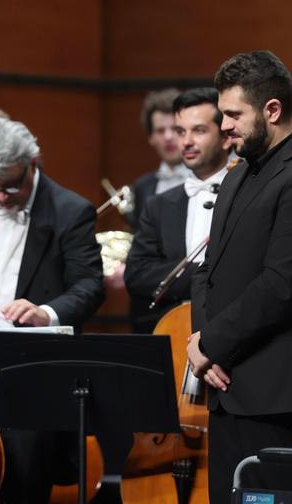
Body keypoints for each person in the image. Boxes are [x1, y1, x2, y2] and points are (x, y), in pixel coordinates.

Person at [188, 50, 292, 503]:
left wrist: (212, 343)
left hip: (272, 395)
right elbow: (207, 271)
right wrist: (202, 345)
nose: (224, 126)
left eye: (234, 115)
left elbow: (281, 284)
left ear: (273, 110)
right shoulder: (237, 174)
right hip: (224, 384)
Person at [0, 117, 104, 503]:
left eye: (11, 186)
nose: (2, 197)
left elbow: (90, 285)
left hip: (30, 363)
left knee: (23, 478)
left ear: (32, 164)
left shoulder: (70, 211)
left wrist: (46, 313)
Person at [125, 88, 232, 333]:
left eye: (199, 130)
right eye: (181, 131)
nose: (186, 141)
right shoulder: (158, 204)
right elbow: (137, 275)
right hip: (174, 330)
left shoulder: (251, 193)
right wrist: (204, 274)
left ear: (226, 138)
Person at [127, 88, 190, 230]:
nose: (168, 137)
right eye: (160, 130)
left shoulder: (206, 180)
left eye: (175, 129)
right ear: (151, 138)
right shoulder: (142, 187)